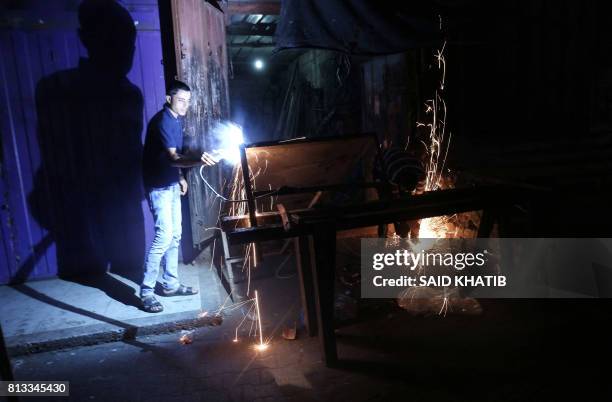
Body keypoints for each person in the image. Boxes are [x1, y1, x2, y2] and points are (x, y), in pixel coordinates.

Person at [141, 80, 217, 313]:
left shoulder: (176, 120)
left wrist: (182, 177)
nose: (185, 105)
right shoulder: (164, 121)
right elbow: (174, 157)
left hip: (171, 183)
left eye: (188, 101)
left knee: (175, 237)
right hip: (159, 187)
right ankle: (146, 292)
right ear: (169, 99)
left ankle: (171, 285)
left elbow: (175, 159)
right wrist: (199, 160)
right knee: (164, 238)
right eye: (181, 100)